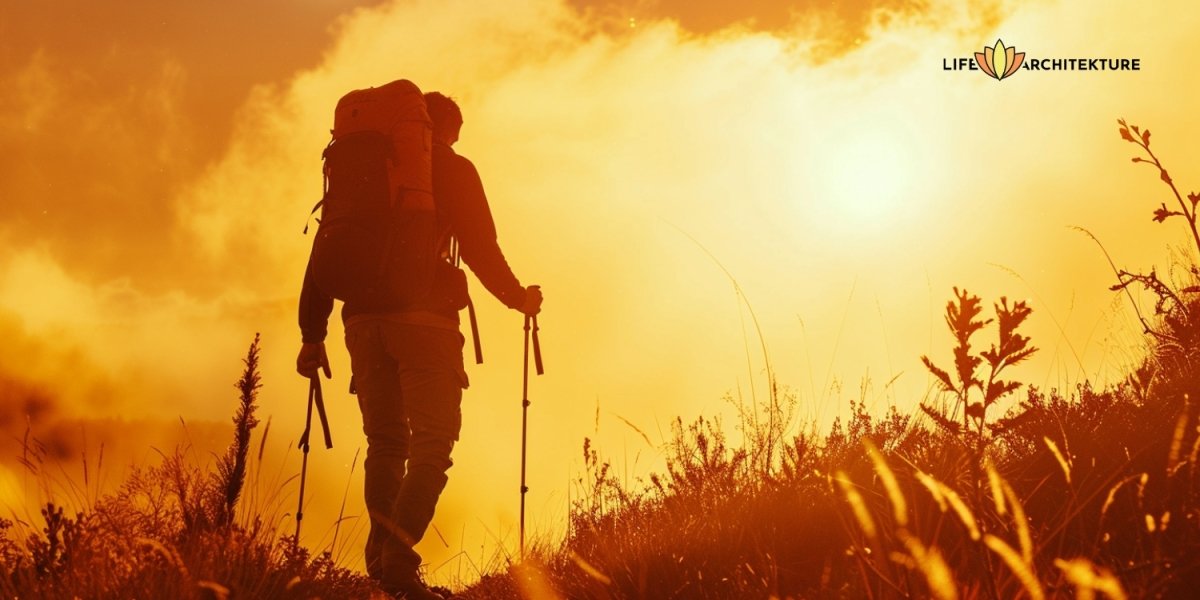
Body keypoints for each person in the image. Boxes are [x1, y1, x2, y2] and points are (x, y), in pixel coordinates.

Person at [296, 91, 543, 599]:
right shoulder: (450, 168)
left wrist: (312, 335)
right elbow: (479, 246)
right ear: (443, 132)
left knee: (386, 443)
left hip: (360, 323)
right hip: (425, 322)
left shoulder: (359, 176)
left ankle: (381, 569)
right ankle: (397, 564)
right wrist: (517, 298)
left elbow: (326, 250)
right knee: (434, 443)